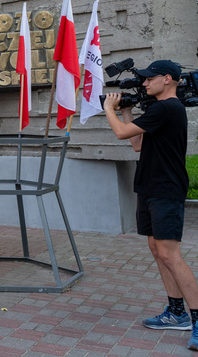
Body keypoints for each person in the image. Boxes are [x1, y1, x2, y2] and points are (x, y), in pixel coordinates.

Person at [103, 59, 197, 350]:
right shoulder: (158, 111)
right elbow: (137, 144)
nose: (144, 83)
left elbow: (120, 133)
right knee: (157, 249)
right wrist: (127, 111)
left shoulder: (167, 107)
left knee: (171, 255)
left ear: (167, 79)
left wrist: (109, 109)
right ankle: (176, 312)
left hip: (165, 189)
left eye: (149, 79)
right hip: (149, 187)